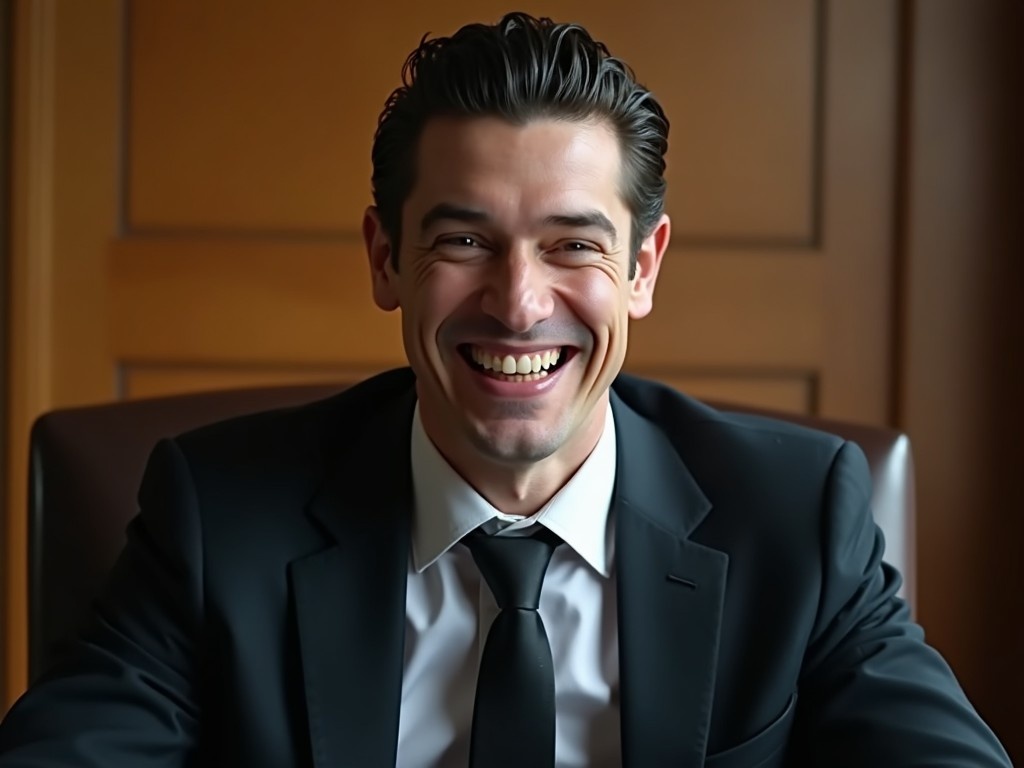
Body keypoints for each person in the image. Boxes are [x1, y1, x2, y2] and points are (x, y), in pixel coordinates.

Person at [0, 12, 1012, 768]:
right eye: (463, 240)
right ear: (385, 257)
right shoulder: (219, 515)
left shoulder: (797, 519)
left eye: (573, 244)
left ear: (644, 268)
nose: (519, 304)